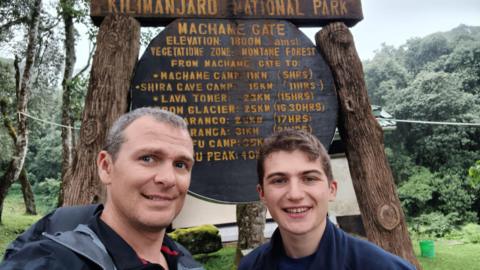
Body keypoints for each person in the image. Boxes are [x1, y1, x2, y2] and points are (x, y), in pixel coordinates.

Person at [1, 107, 203, 270]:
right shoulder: (52, 262)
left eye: (180, 165)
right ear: (106, 167)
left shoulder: (184, 261)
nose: (168, 179)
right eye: (148, 158)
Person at [238, 129, 416, 270]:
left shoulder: (382, 267)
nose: (295, 194)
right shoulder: (250, 266)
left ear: (332, 190)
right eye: (279, 180)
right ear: (262, 194)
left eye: (309, 178)